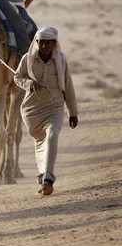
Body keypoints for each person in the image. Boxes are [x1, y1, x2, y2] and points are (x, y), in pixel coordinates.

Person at [14, 27, 78, 196]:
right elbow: (17, 77)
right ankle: (42, 173)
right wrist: (29, 84)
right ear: (37, 43)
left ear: (54, 44)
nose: (44, 46)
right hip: (32, 109)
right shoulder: (27, 59)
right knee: (41, 140)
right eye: (41, 43)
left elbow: (69, 86)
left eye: (48, 43)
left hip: (55, 106)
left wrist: (73, 112)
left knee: (52, 135)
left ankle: (48, 178)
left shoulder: (61, 60)